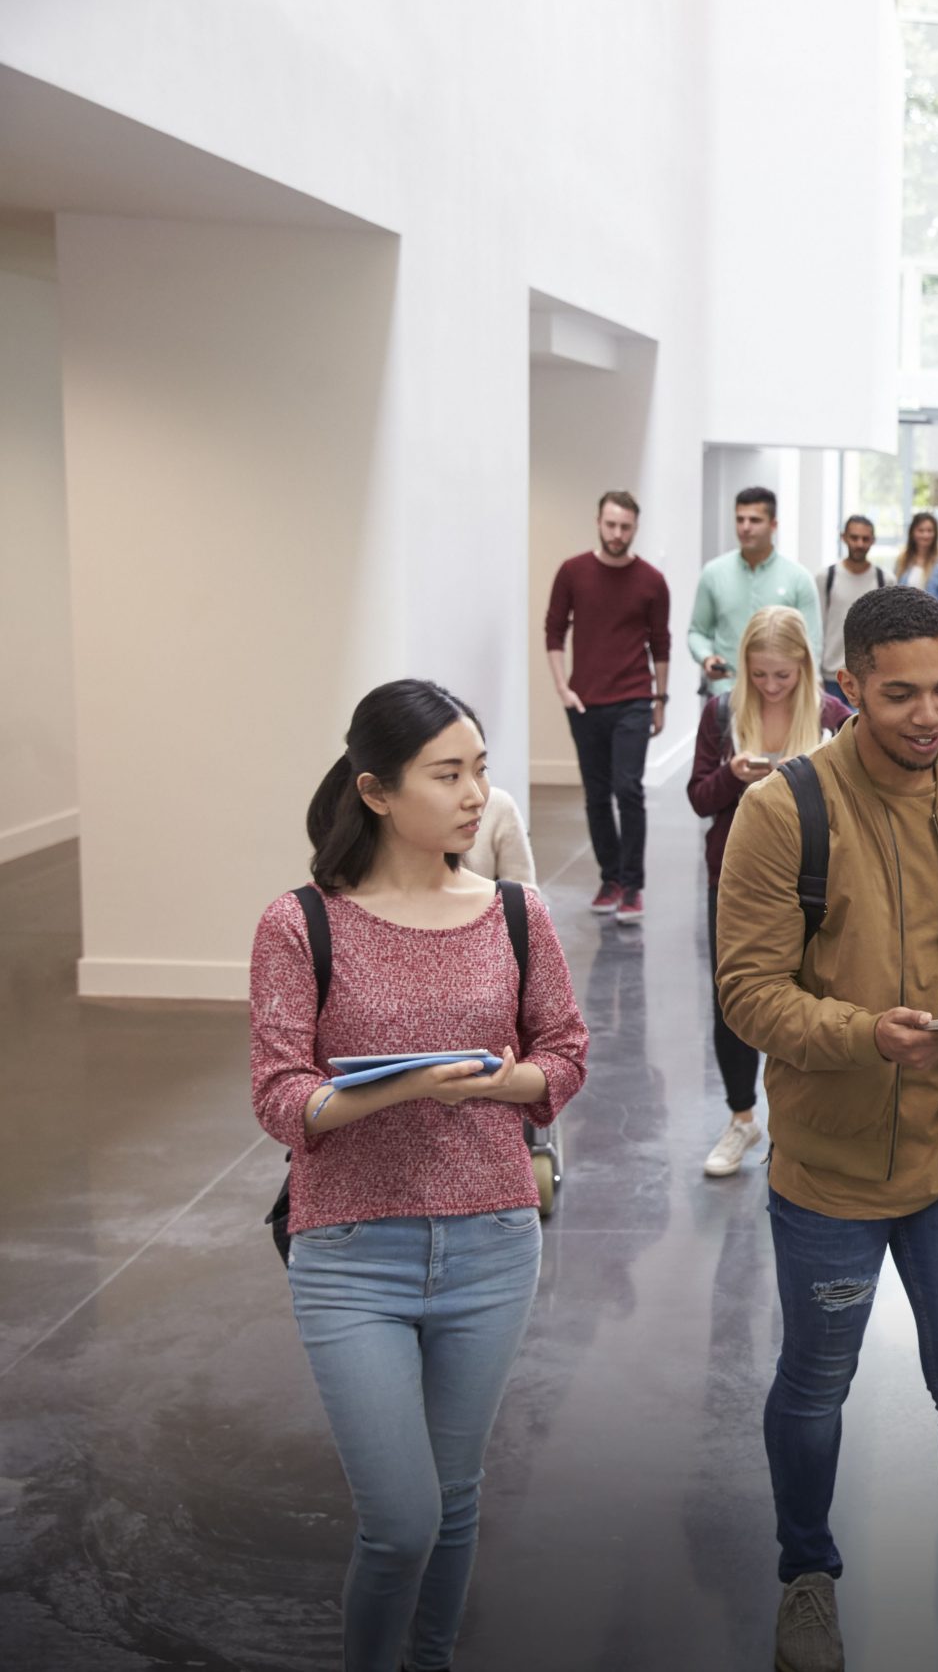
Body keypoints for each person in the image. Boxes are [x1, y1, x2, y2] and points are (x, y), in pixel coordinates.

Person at [715, 587, 938, 1672]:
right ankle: (805, 1576)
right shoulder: (785, 811)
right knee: (816, 1387)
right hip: (831, 1168)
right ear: (849, 687)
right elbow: (747, 993)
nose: (928, 714)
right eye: (900, 694)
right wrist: (868, 1034)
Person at [250, 679, 589, 1672]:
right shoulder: (300, 923)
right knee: (400, 1520)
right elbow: (281, 1099)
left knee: (457, 1493)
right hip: (351, 1247)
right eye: (449, 775)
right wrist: (405, 1092)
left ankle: (430, 1660)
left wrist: (495, 1083)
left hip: (492, 1236)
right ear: (377, 791)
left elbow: (565, 1056)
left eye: (480, 768)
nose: (476, 793)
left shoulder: (517, 913)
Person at [691, 606, 853, 1180]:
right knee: (734, 999)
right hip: (735, 876)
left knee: (810, 995)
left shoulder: (834, 715)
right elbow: (698, 799)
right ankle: (741, 1118)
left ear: (805, 668)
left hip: (817, 876)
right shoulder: (721, 713)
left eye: (782, 676)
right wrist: (733, 775)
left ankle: (798, 1122)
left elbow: (857, 802)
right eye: (759, 675)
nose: (770, 686)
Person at [544, 489, 670, 924]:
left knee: (628, 789)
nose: (618, 533)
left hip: (634, 697)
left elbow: (661, 643)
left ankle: (633, 885)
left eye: (626, 527)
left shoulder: (652, 580)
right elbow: (553, 631)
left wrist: (660, 699)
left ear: (635, 527)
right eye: (611, 524)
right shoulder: (573, 572)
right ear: (599, 522)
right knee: (597, 795)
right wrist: (563, 688)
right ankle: (610, 877)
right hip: (585, 702)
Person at [690, 486, 821, 700]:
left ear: (773, 525)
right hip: (726, 693)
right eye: (740, 520)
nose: (745, 527)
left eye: (755, 520)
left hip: (780, 697)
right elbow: (697, 631)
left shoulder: (798, 578)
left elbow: (812, 643)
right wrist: (707, 658)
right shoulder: (713, 573)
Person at [819, 513, 891, 703]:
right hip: (831, 676)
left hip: (870, 675)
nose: (859, 544)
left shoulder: (885, 580)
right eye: (854, 537)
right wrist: (815, 675)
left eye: (865, 539)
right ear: (844, 538)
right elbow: (817, 628)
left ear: (872, 541)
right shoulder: (826, 577)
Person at [458, 783, 537, 888]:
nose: (479, 799)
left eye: (481, 770)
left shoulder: (497, 804)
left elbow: (524, 892)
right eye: (451, 776)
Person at [894, 510, 938, 602]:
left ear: (935, 533)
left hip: (934, 614)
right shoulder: (902, 560)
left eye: (930, 531)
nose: (925, 535)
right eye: (921, 530)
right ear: (912, 533)